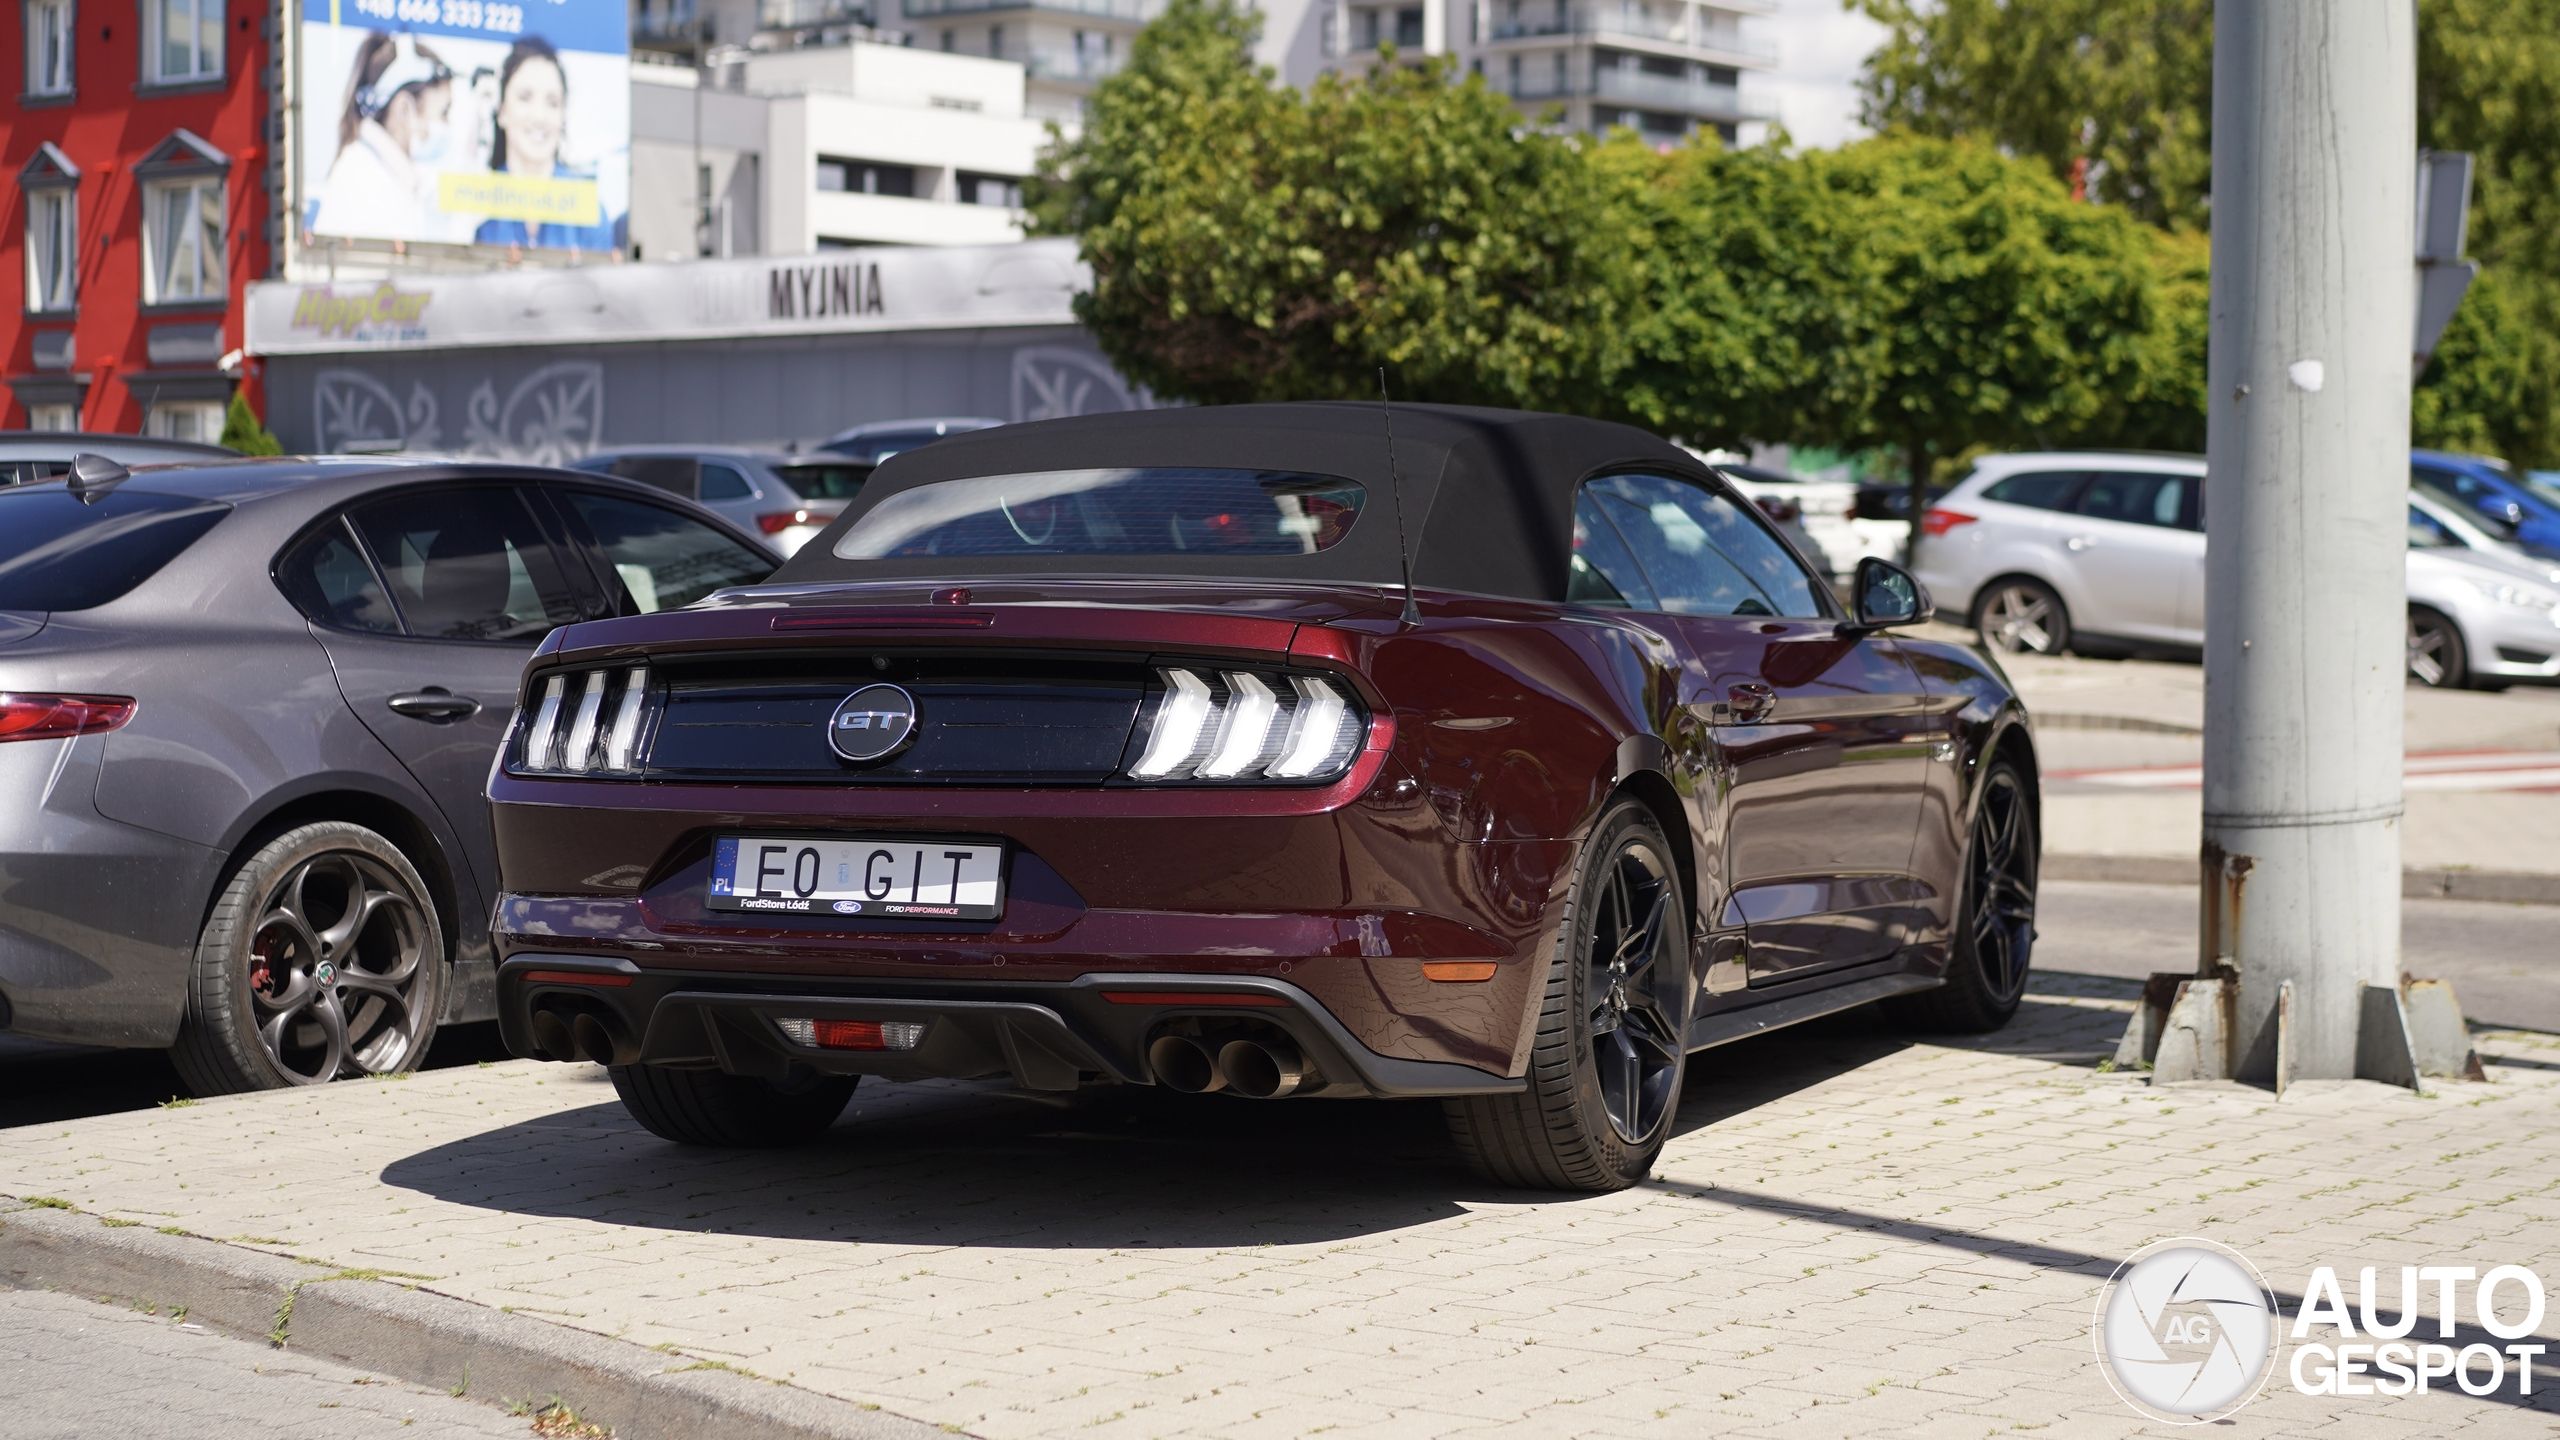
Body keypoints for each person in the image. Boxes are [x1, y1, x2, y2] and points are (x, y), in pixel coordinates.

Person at [474, 37, 619, 252]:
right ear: (502, 110)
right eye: (525, 97)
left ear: (563, 115)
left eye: (552, 102)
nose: (539, 116)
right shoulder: (473, 202)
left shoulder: (590, 210)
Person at [311, 33, 458, 243]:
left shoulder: (388, 176)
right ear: (405, 110)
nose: (448, 125)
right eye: (444, 112)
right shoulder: (364, 183)